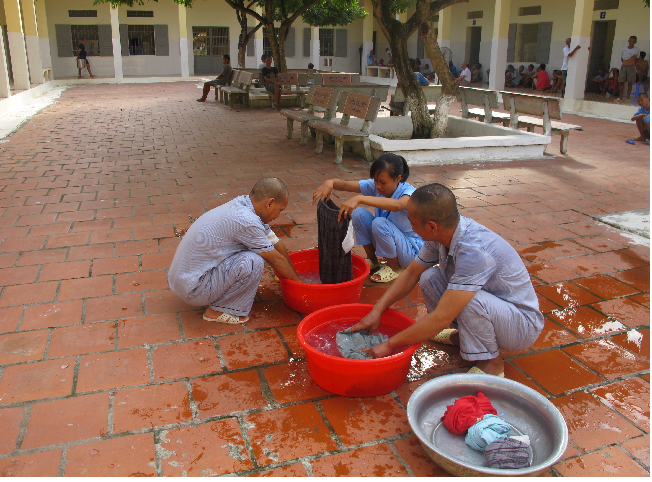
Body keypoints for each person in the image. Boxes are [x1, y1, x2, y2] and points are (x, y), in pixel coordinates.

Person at [350, 184, 544, 376]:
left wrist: (389, 344)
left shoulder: (473, 251)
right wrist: (377, 311)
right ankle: (464, 337)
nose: (411, 227)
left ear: (431, 226)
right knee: (429, 276)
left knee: (469, 299)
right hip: (494, 308)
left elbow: (442, 316)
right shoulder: (441, 234)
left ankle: (491, 363)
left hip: (521, 324)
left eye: (412, 222)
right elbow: (411, 273)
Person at [168, 178, 303, 324]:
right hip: (194, 288)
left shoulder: (245, 204)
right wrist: (301, 285)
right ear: (269, 203)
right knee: (252, 261)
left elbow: (276, 244)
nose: (279, 215)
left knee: (252, 250)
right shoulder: (246, 221)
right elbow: (275, 259)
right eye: (280, 210)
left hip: (183, 279)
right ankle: (218, 311)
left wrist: (287, 275)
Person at [312, 153, 424, 283]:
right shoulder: (376, 186)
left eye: (383, 182)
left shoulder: (410, 193)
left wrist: (359, 198)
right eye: (375, 180)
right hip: (390, 242)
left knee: (379, 223)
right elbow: (344, 185)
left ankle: (395, 268)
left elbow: (398, 205)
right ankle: (373, 260)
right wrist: (329, 182)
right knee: (359, 213)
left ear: (398, 179)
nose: (378, 186)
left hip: (410, 252)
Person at [619, 36, 640, 100]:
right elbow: (622, 58)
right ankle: (620, 97)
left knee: (630, 82)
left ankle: (628, 97)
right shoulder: (624, 49)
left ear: (635, 42)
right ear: (628, 41)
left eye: (633, 41)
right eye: (630, 41)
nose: (631, 43)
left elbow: (637, 59)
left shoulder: (637, 50)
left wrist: (633, 65)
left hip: (631, 66)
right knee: (621, 81)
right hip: (624, 66)